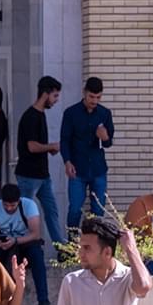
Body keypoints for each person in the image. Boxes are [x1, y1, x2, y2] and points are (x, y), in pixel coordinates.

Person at [14, 75, 64, 246]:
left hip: (42, 175)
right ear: (45, 93)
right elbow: (32, 146)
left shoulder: (40, 115)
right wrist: (51, 146)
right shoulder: (31, 116)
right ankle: (22, 244)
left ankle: (61, 247)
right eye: (55, 95)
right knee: (24, 213)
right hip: (28, 175)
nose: (56, 100)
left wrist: (49, 149)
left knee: (51, 211)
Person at [0, 181, 52, 305]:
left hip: (25, 243)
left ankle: (44, 302)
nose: (9, 208)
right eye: (6, 205)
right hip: (4, 244)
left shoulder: (29, 205)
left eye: (13, 205)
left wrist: (16, 241)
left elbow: (35, 234)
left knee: (37, 256)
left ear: (18, 201)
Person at [59, 77, 115, 229]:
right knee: (75, 209)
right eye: (91, 96)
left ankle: (96, 240)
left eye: (98, 97)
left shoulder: (105, 113)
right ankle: (71, 241)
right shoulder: (71, 113)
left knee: (99, 210)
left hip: (98, 168)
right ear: (84, 93)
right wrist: (67, 162)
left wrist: (105, 137)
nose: (94, 101)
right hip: (78, 168)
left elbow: (108, 143)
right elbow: (64, 140)